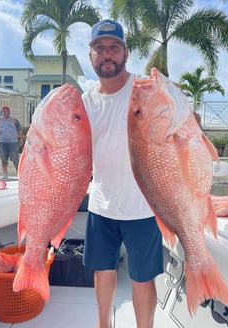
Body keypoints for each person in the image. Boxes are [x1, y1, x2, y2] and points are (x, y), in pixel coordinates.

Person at [82, 19, 163, 328]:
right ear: (91, 55)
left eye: (114, 47)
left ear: (125, 52)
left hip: (143, 204)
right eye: (99, 48)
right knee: (103, 270)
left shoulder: (145, 90)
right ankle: (104, 324)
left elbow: (179, 121)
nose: (107, 54)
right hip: (101, 203)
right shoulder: (85, 103)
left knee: (143, 277)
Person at [0, 106, 24, 178]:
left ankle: (19, 174)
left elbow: (19, 131)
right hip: (2, 142)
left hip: (13, 142)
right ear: (2, 112)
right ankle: (5, 174)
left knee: (15, 159)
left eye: (7, 111)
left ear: (9, 112)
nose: (6, 112)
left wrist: (21, 139)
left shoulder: (14, 120)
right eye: (4, 111)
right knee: (4, 159)